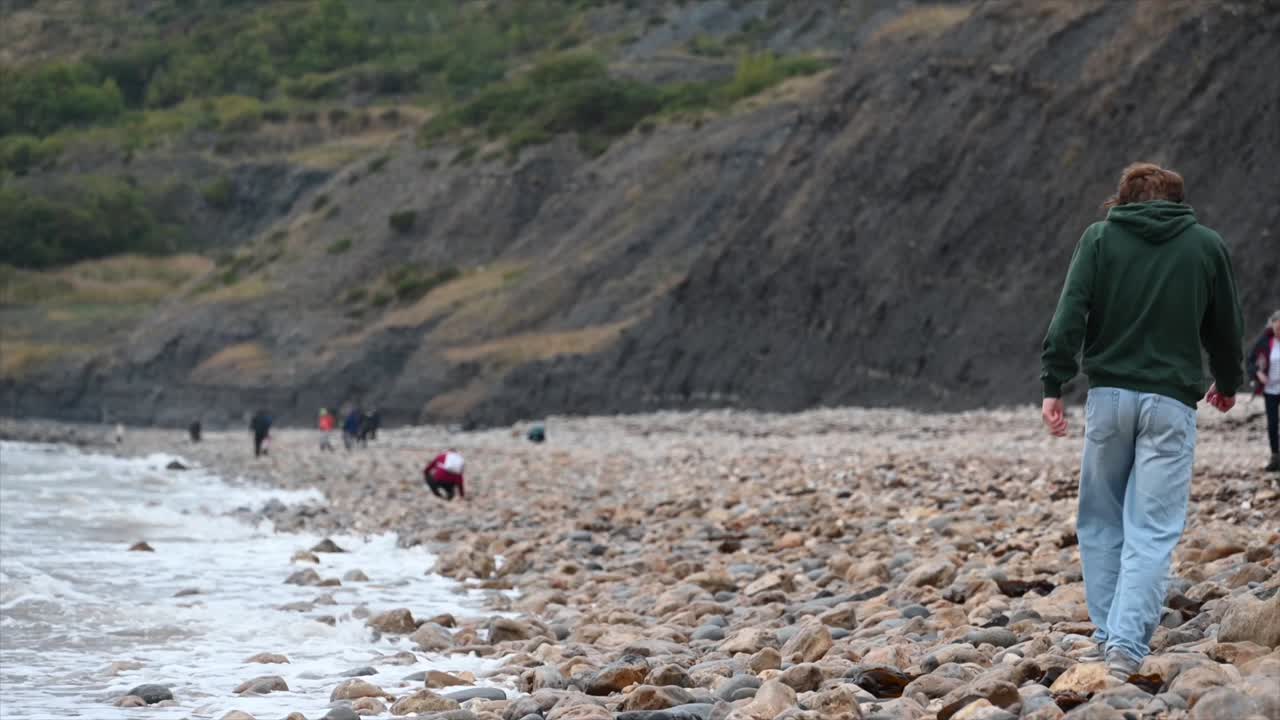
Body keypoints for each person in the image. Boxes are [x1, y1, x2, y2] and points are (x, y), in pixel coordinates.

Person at [1040, 163, 1244, 680]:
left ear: (1122, 199)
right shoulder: (1205, 245)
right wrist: (1227, 381)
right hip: (1172, 402)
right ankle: (1124, 646)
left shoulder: (1099, 239)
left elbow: (1071, 314)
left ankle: (1112, 635)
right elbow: (1225, 325)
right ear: (1178, 201)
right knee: (1151, 531)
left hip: (1108, 398)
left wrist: (1053, 384)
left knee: (1100, 521)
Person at [1248, 310, 1280, 472]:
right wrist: (1258, 373)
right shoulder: (1264, 342)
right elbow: (1251, 361)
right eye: (1277, 328)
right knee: (1273, 423)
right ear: (1272, 326)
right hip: (1271, 390)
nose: (1279, 331)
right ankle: (1275, 457)